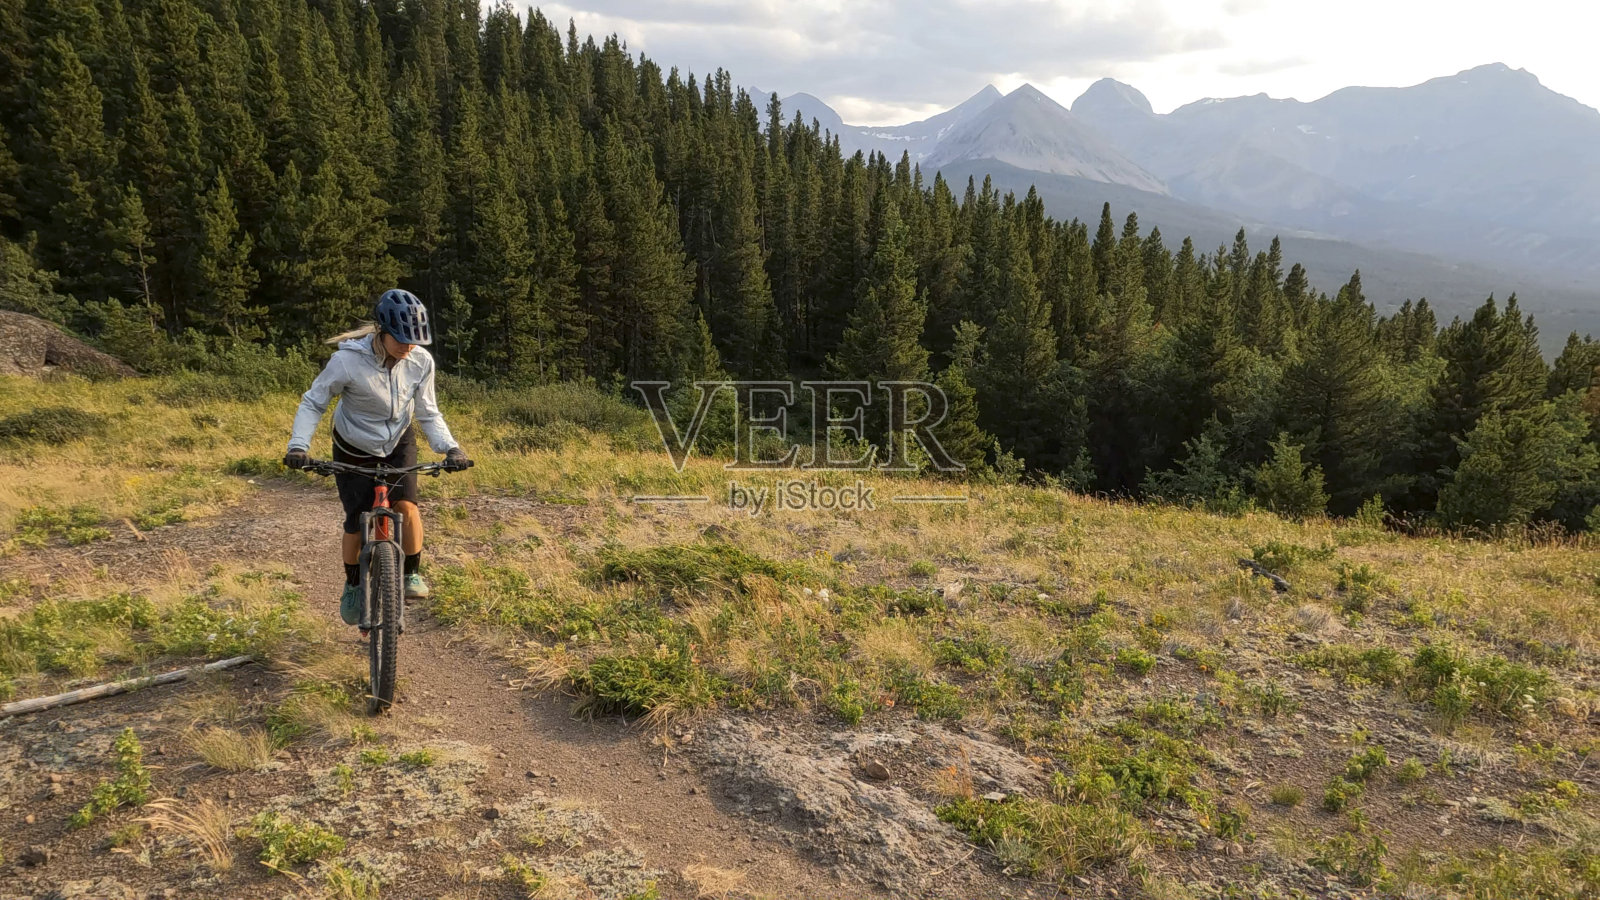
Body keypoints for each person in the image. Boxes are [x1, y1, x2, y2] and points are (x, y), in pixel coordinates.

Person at [283, 289, 471, 626]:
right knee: (357, 518)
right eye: (400, 339)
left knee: (407, 507)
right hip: (353, 445)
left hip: (398, 441)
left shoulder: (421, 362)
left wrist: (450, 448)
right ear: (382, 331)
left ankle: (411, 573)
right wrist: (298, 446)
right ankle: (354, 585)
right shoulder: (347, 362)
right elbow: (314, 402)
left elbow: (428, 412)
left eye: (414, 341)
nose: (408, 347)